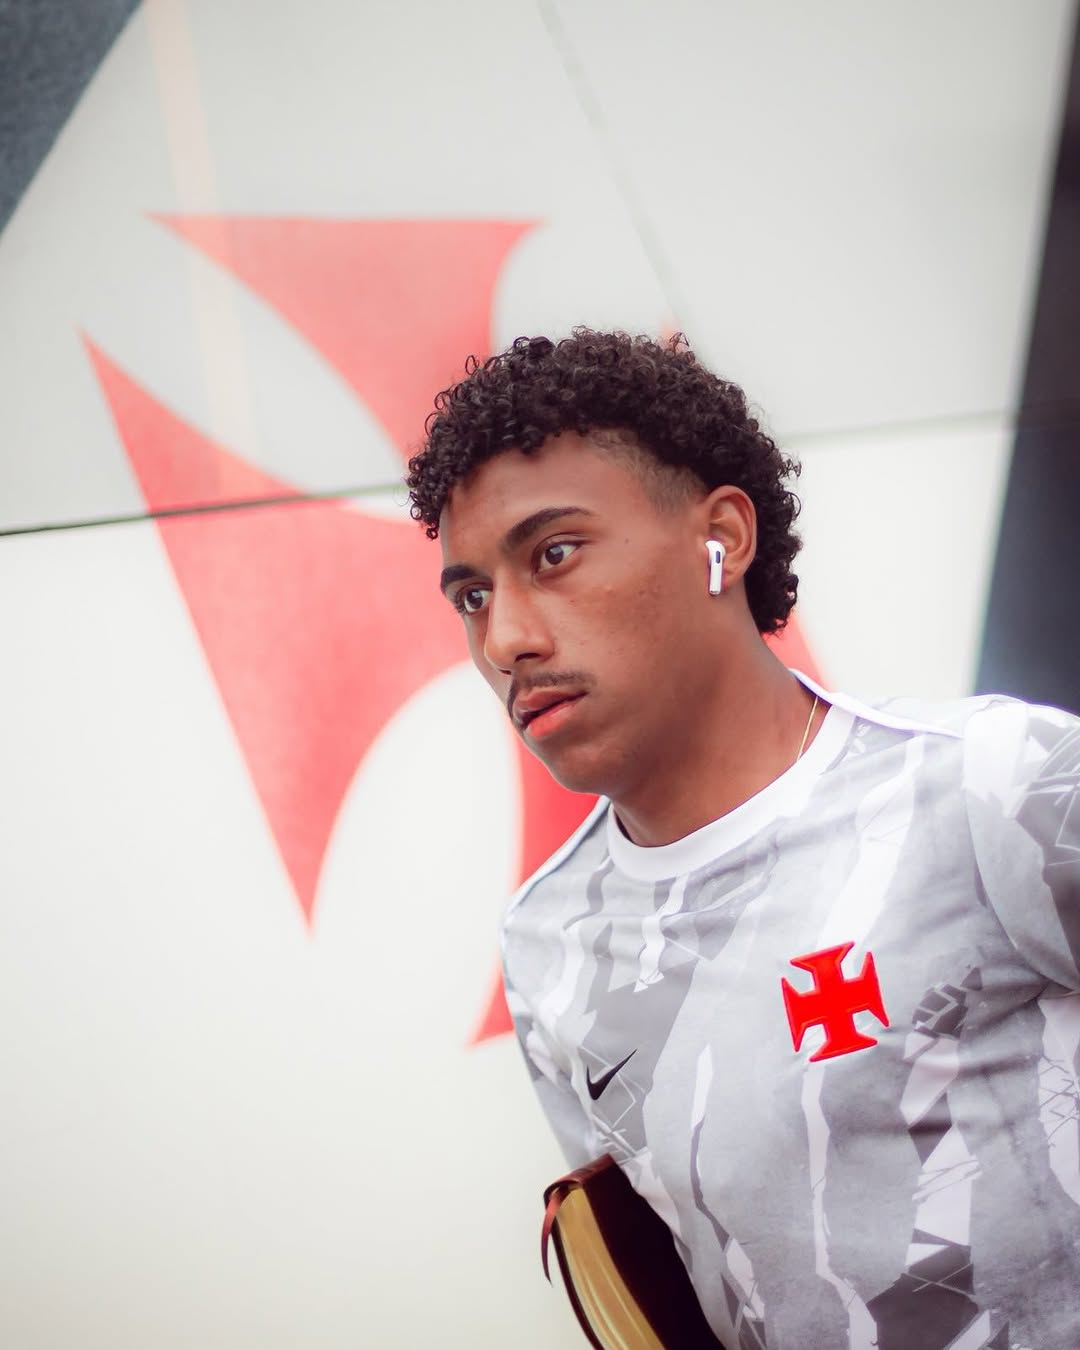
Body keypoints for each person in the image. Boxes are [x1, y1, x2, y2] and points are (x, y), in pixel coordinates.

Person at [406, 329, 1080, 1349]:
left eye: (554, 554)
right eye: (473, 597)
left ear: (719, 538)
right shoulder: (549, 943)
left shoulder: (995, 783)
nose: (505, 640)